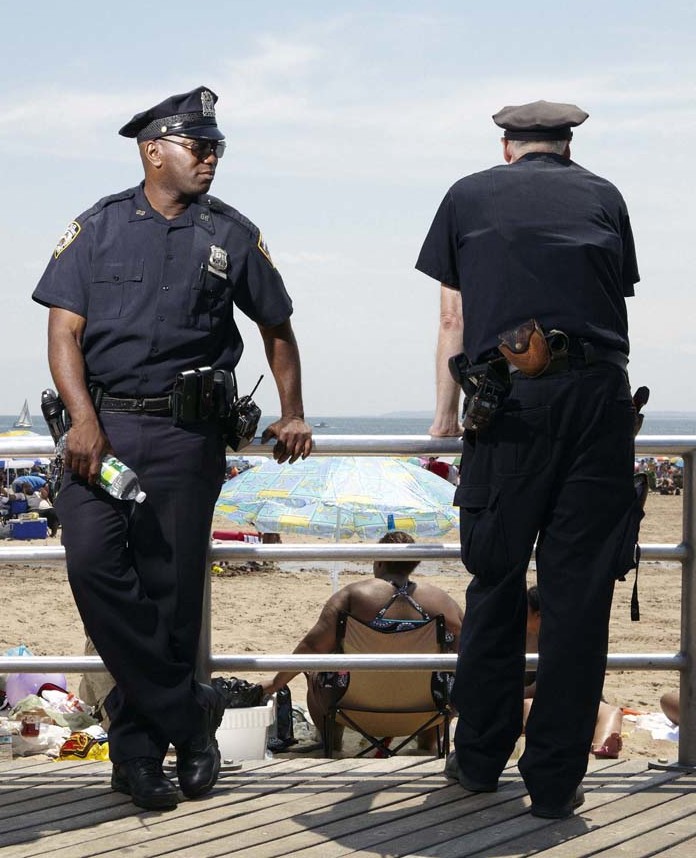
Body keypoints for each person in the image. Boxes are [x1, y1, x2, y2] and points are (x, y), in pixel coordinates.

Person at [32, 86, 312, 811]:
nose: (212, 158)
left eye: (217, 146)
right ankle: (194, 718)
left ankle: (138, 758)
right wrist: (86, 422)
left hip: (188, 438)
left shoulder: (232, 233)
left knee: (172, 598)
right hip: (101, 435)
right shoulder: (97, 227)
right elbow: (63, 333)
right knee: (93, 566)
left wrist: (293, 413)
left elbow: (276, 329)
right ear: (154, 150)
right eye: (199, 146)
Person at [416, 100, 640, 818]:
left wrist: (446, 415)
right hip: (599, 401)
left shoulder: (467, 193)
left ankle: (479, 760)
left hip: (511, 401)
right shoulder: (605, 195)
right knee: (578, 601)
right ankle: (553, 783)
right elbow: (614, 297)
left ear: (507, 147)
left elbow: (454, 317)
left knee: (497, 582)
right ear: (566, 149)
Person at [261, 530, 463, 752]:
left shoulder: (353, 596)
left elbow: (310, 648)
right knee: (444, 675)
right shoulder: (443, 602)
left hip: (351, 709)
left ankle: (332, 745)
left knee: (312, 671)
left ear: (378, 561)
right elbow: (467, 649)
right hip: (427, 712)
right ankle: (429, 744)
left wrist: (275, 684)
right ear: (415, 563)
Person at [524, 586, 623, 759]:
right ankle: (603, 739)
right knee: (607, 711)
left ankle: (605, 743)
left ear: (538, 616)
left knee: (610, 711)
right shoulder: (565, 632)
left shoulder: (552, 636)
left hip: (558, 700)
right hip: (558, 701)